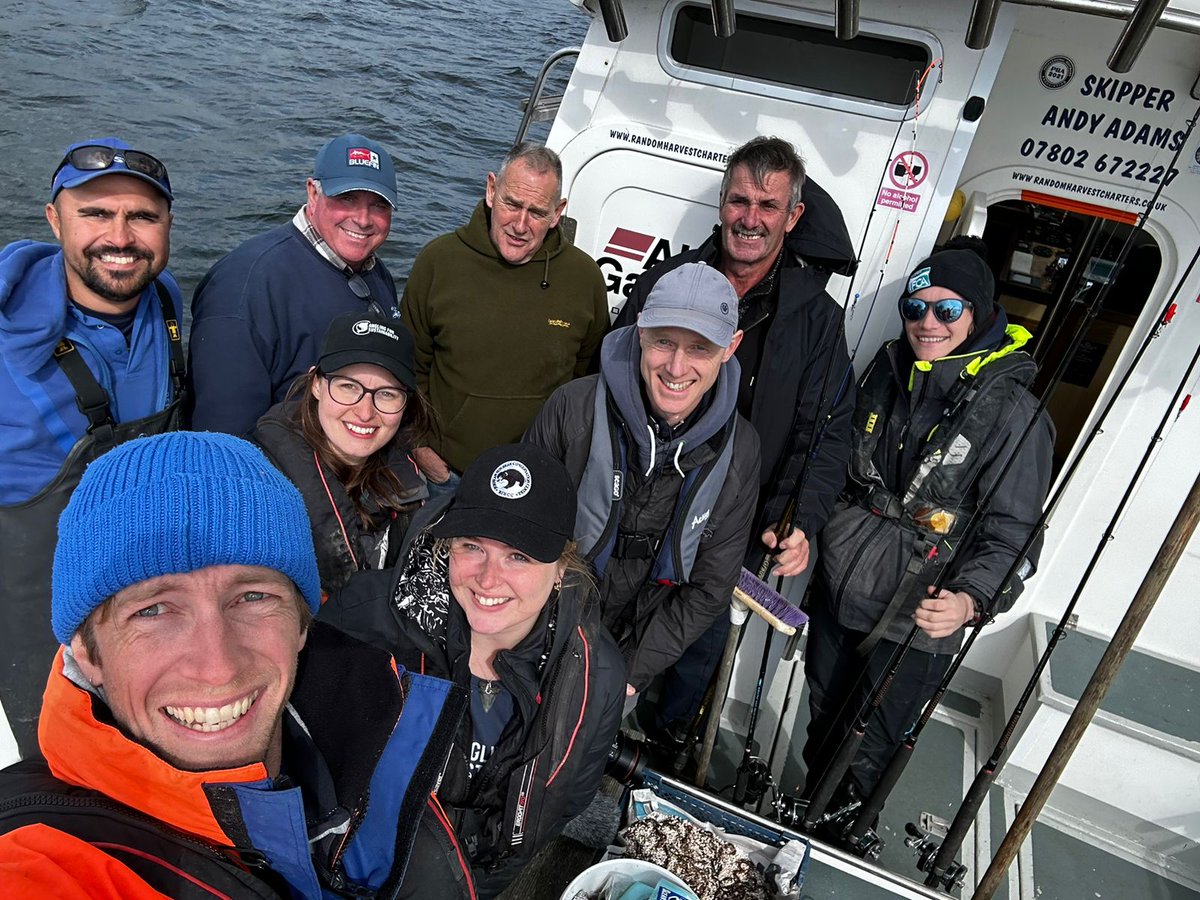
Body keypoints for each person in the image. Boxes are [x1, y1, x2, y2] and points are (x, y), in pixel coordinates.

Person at [0, 432, 475, 898]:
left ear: (301, 624)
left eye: (252, 597)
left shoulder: (380, 744)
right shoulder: (43, 860)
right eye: (153, 610)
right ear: (85, 651)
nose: (218, 667)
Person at [613, 137, 857, 734]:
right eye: (740, 200)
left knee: (694, 656)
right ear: (722, 203)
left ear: (792, 217)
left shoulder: (817, 319)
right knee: (604, 631)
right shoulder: (669, 281)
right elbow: (612, 376)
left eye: (768, 206)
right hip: (637, 513)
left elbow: (824, 435)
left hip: (730, 537)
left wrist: (797, 518)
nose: (751, 218)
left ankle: (662, 749)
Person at [803, 240, 1054, 813]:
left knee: (869, 750)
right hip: (841, 592)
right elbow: (837, 464)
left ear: (980, 314)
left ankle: (838, 832)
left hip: (918, 616)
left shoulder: (1018, 414)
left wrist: (969, 602)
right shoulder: (886, 371)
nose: (928, 322)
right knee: (822, 719)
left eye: (947, 310)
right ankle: (805, 814)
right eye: (916, 307)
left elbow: (1013, 534)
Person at [322, 443, 625, 898]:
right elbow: (311, 754)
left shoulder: (596, 672)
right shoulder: (367, 621)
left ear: (561, 567)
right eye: (472, 546)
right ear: (448, 545)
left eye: (518, 556)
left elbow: (562, 804)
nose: (487, 579)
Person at [0, 137, 184, 759]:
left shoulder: (165, 304)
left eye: (142, 216)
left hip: (135, 583)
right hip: (30, 616)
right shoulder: (7, 334)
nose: (121, 236)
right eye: (96, 214)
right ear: (54, 219)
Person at [525, 262, 761, 715]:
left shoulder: (742, 450)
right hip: (537, 622)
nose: (677, 367)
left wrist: (631, 673)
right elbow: (516, 527)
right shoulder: (572, 408)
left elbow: (711, 585)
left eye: (700, 347)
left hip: (632, 648)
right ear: (640, 333)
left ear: (730, 348)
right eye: (664, 341)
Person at [401, 142, 609, 497]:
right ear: (491, 190)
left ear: (558, 213)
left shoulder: (585, 279)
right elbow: (406, 368)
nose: (520, 224)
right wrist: (419, 447)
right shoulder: (438, 261)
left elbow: (586, 385)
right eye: (512, 204)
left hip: (535, 484)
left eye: (537, 212)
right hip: (444, 478)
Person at [187, 133, 401, 436]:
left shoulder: (375, 272)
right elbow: (224, 436)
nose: (363, 219)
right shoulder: (244, 286)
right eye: (346, 198)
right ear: (313, 193)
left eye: (378, 205)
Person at [252, 311, 431, 596]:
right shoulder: (260, 485)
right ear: (317, 385)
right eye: (348, 386)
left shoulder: (403, 475)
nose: (365, 412)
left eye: (386, 393)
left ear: (407, 404)